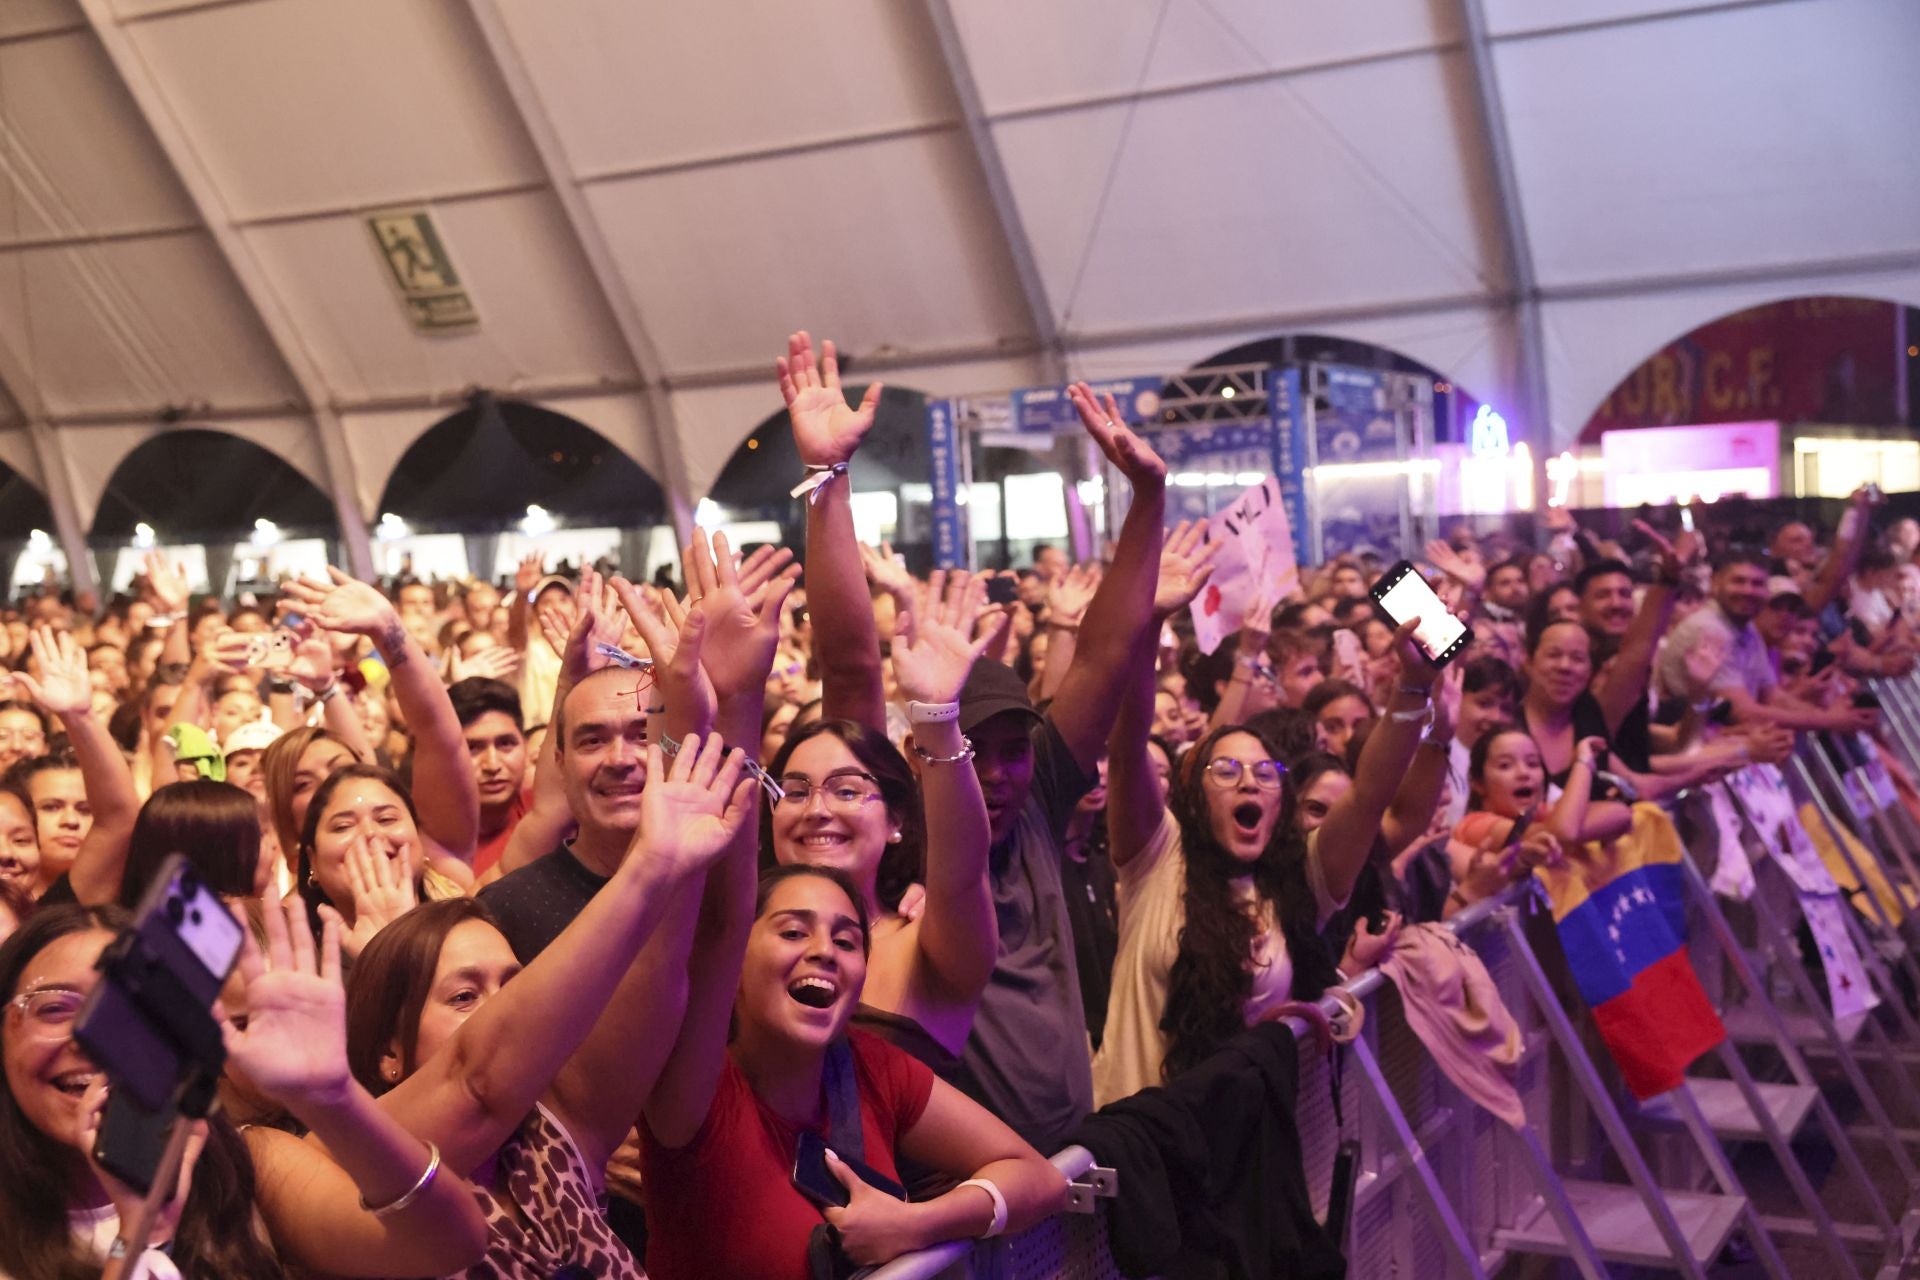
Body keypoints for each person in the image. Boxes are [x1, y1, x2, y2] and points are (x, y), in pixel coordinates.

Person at [347, 732, 756, 1279]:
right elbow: (477, 1077)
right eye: (465, 997)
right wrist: (646, 869)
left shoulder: (552, 1136)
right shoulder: (355, 1176)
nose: (505, 1012)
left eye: (514, 986)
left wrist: (665, 861)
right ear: (389, 1051)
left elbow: (676, 965)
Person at [0, 901, 489, 1279]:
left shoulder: (240, 1164)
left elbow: (451, 1242)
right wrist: (139, 1234)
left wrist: (332, 1096)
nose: (95, 1035)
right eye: (56, 1008)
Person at [640, 864, 1067, 1278]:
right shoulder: (696, 1088)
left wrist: (917, 1223)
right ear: (733, 956)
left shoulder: (872, 1066)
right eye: (793, 932)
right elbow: (713, 919)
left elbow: (1040, 1179)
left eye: (846, 942)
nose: (824, 951)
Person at [1093, 615, 1441, 1103]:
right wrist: (1147, 622)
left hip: (1240, 1142)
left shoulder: (1299, 881)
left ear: (1282, 801)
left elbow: (1368, 794)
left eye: (1265, 772)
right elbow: (1128, 745)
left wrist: (1413, 686)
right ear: (1194, 797)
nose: (1249, 782)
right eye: (1227, 770)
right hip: (1140, 1146)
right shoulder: (1158, 859)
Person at [449, 677, 531, 878]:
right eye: (473, 748)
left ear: (526, 747)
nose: (492, 765)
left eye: (506, 744)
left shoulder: (556, 817)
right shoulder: (424, 840)